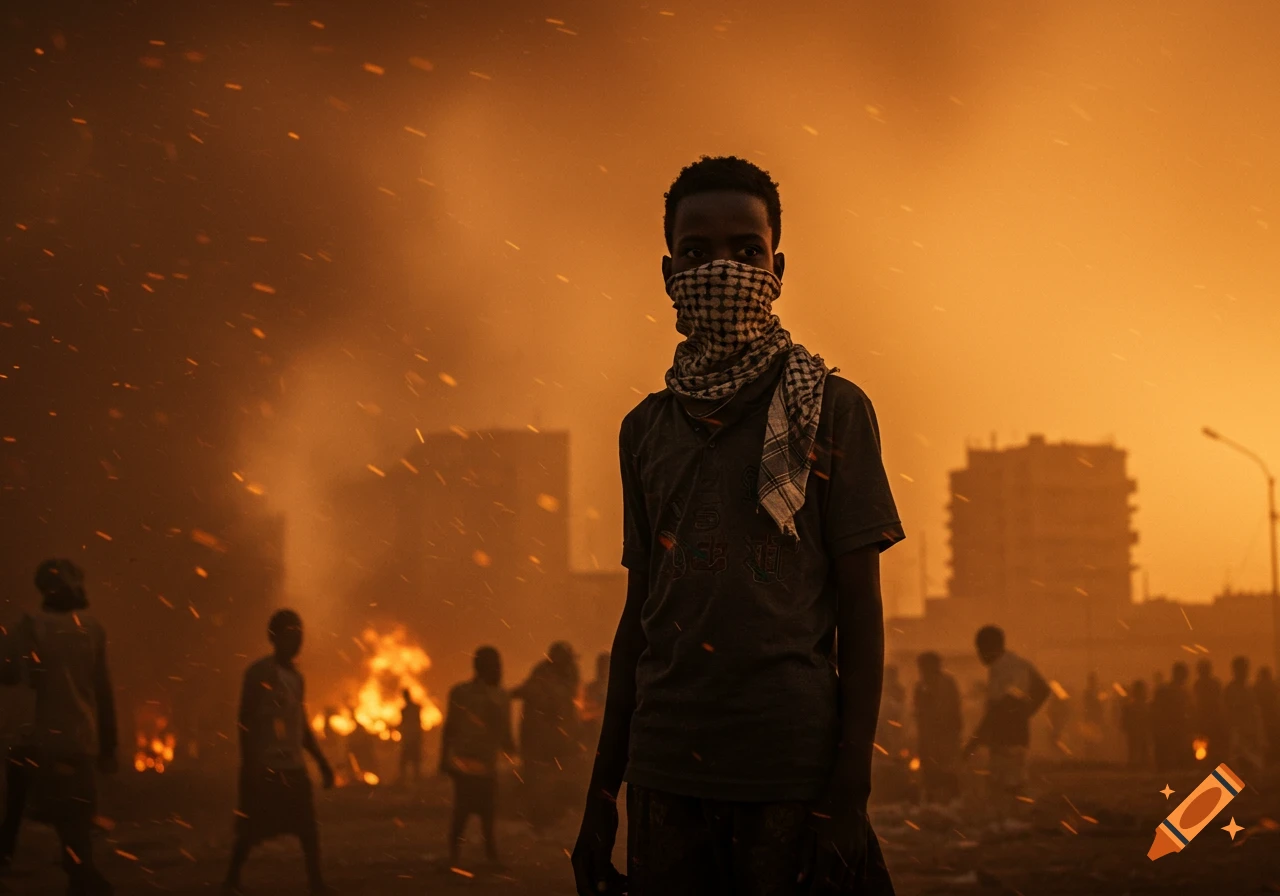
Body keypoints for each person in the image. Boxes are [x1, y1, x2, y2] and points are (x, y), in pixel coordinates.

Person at [571, 156, 906, 896]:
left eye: (746, 251)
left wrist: (850, 791)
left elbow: (861, 612)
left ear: (777, 269)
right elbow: (640, 618)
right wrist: (602, 795)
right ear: (669, 274)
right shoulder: (645, 431)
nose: (722, 271)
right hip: (665, 770)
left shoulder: (832, 408)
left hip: (789, 771)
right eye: (696, 253)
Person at [0, 559, 117, 894]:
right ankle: (82, 875)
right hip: (73, 739)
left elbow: (7, 673)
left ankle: (77, 874)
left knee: (21, 811)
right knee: (73, 815)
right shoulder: (89, 629)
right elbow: (103, 691)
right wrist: (109, 745)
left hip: (35, 739)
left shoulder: (29, 626)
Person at [224, 610, 335, 896]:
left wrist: (321, 762)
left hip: (293, 766)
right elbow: (245, 720)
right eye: (290, 634)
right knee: (252, 827)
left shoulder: (297, 678)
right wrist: (250, 764)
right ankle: (231, 880)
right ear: (274, 637)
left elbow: (301, 725)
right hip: (267, 767)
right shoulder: (259, 673)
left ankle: (316, 883)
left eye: (300, 634)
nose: (297, 641)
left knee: (307, 828)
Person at [963, 626, 1049, 823]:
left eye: (980, 650)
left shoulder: (1002, 669)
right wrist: (1025, 713)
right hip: (1016, 735)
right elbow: (1043, 689)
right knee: (1014, 782)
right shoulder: (1018, 663)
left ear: (990, 648)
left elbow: (996, 711)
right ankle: (1018, 821)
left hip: (1006, 739)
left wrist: (972, 744)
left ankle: (1013, 824)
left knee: (1004, 786)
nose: (979, 656)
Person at [439, 646, 514, 868]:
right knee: (474, 809)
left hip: (475, 761)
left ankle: (472, 854)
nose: (500, 670)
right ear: (485, 668)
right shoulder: (487, 695)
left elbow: (450, 729)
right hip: (474, 761)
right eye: (496, 666)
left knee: (476, 808)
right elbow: (451, 727)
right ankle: (473, 854)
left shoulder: (467, 693)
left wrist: (443, 759)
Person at [512, 641, 580, 834]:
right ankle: (539, 819)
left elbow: (568, 699)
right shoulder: (543, 674)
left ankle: (551, 815)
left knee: (556, 776)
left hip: (558, 737)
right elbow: (532, 694)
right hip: (538, 737)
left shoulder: (568, 673)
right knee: (537, 778)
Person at [913, 652, 962, 805]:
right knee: (931, 774)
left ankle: (948, 804)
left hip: (944, 739)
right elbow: (920, 714)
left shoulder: (947, 684)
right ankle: (933, 805)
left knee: (946, 773)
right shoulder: (921, 686)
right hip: (930, 740)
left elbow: (954, 712)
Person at [1222, 656, 1264, 774]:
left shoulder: (1249, 690)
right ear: (1235, 670)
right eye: (1242, 669)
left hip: (1251, 734)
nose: (1245, 672)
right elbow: (1227, 713)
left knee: (1252, 769)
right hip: (1237, 734)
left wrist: (1259, 734)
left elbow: (1255, 713)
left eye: (1246, 669)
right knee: (1237, 768)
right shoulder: (1230, 690)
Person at [1151, 662, 1192, 771]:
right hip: (1171, 730)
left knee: (1167, 762)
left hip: (1169, 730)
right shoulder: (1181, 693)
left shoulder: (1164, 690)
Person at [1193, 659, 1227, 764]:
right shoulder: (1210, 684)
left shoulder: (1200, 684)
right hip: (1207, 720)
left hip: (1209, 720)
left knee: (1210, 747)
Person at [1120, 680, 1152, 769]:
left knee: (1134, 755)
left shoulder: (1128, 707)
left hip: (1134, 737)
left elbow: (1123, 725)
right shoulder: (1147, 707)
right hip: (1142, 737)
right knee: (1142, 757)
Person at [398, 688, 424, 785]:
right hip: (411, 737)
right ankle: (409, 779)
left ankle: (413, 780)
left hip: (412, 737)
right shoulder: (411, 709)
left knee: (411, 761)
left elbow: (416, 723)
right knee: (410, 761)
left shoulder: (408, 709)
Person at [1256, 666, 1280, 766]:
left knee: (1271, 740)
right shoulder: (1266, 687)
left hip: (1269, 718)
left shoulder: (1259, 687)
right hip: (1266, 718)